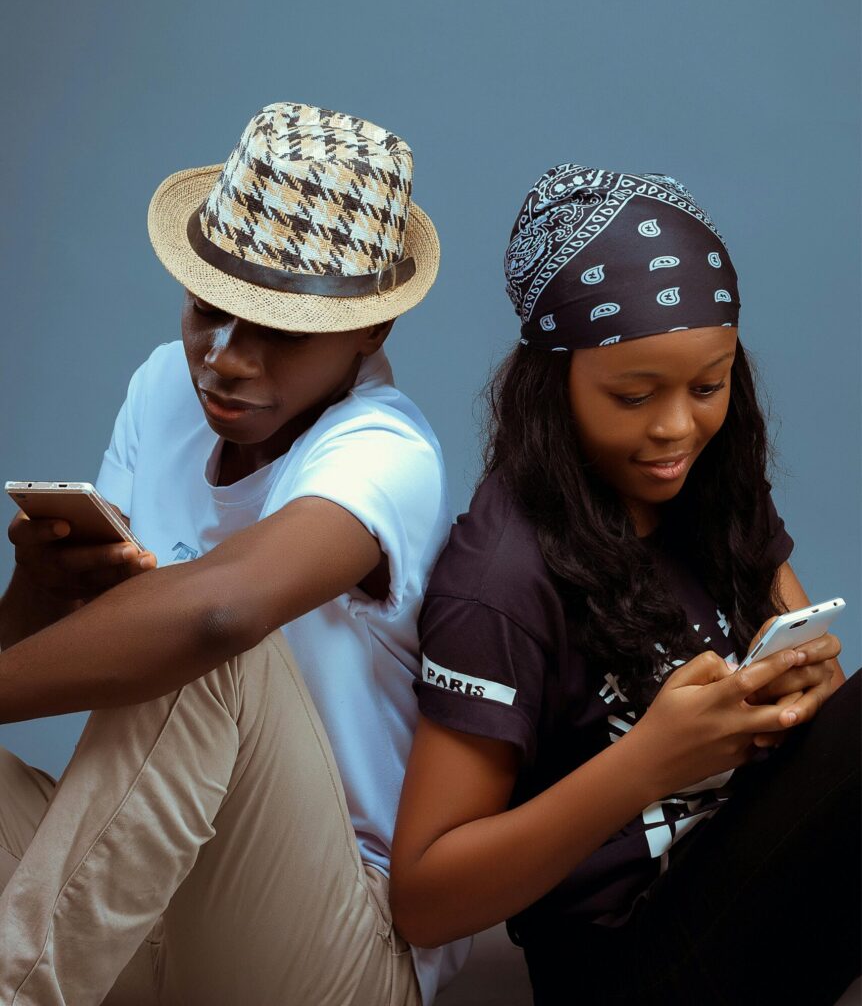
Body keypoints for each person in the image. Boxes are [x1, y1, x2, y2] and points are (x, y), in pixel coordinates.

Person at [0, 102, 469, 1005]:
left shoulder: (386, 451)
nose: (224, 359)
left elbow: (217, 616)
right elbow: (98, 645)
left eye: (277, 330)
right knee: (162, 620)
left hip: (338, 939)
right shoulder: (161, 388)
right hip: (145, 899)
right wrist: (39, 591)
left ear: (371, 331)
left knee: (210, 643)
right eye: (208, 311)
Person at [389, 165, 860, 1006]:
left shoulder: (713, 485)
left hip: (762, 883)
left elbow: (812, 703)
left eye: (708, 386)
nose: (677, 428)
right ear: (555, 383)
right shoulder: (498, 581)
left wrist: (807, 691)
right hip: (627, 962)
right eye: (634, 395)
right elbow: (425, 901)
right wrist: (647, 763)